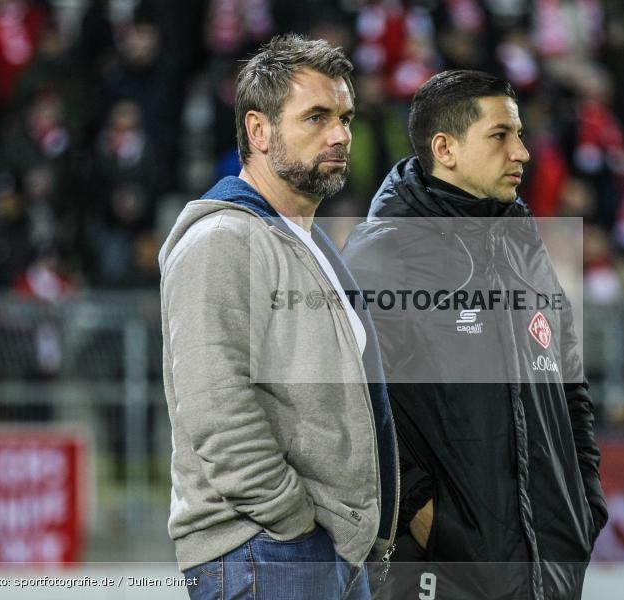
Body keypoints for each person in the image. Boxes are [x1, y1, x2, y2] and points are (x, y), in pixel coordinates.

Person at [343, 70, 608, 600]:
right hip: (440, 573)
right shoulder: (381, 257)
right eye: (500, 136)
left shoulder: (525, 245)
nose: (522, 153)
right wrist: (430, 521)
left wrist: (584, 505)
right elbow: (351, 412)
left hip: (547, 570)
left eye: (521, 135)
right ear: (445, 148)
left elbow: (569, 387)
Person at [159, 35, 398, 600]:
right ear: (259, 132)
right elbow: (216, 409)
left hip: (319, 552)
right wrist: (294, 523)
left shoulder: (308, 241)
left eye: (345, 116)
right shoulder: (221, 240)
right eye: (315, 117)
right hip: (269, 551)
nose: (340, 134)